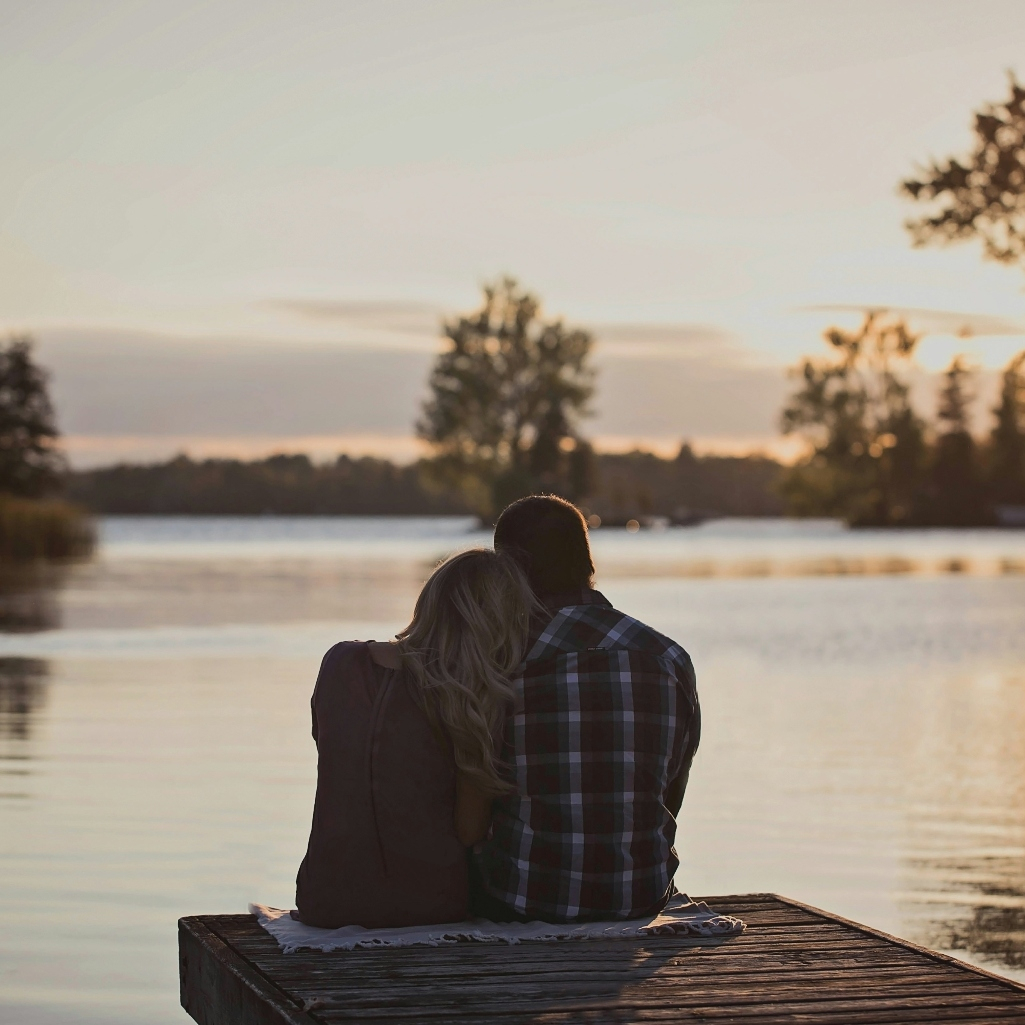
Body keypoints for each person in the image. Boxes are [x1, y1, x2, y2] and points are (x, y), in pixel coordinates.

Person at [471, 495, 700, 923]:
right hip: (640, 898)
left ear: (510, 568)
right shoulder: (668, 657)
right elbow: (670, 789)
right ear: (587, 561)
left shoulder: (498, 660)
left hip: (519, 901)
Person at [295, 548, 536, 929]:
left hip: (324, 899)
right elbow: (469, 831)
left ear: (430, 599)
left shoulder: (340, 662)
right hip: (429, 906)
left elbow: (331, 747)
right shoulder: (472, 697)